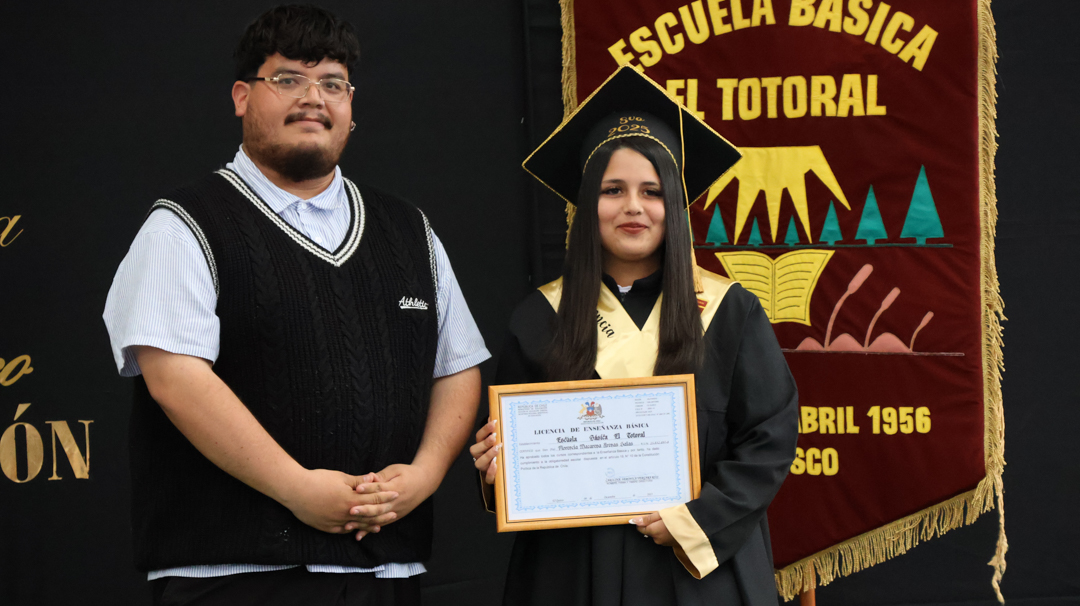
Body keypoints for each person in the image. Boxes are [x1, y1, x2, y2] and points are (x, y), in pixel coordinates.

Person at [103, 6, 489, 605]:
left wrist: (424, 475)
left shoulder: (408, 229)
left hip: (386, 572)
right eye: (288, 79)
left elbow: (457, 366)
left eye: (333, 83)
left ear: (351, 107)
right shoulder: (184, 225)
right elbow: (175, 379)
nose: (314, 98)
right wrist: (296, 488)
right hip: (235, 578)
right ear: (242, 97)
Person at [470, 66, 798, 605]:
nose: (633, 207)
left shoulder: (729, 312)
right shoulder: (540, 318)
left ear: (675, 203)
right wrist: (496, 468)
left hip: (698, 574)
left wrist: (695, 520)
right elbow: (512, 453)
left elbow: (770, 436)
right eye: (612, 190)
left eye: (652, 191)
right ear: (586, 203)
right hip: (573, 571)